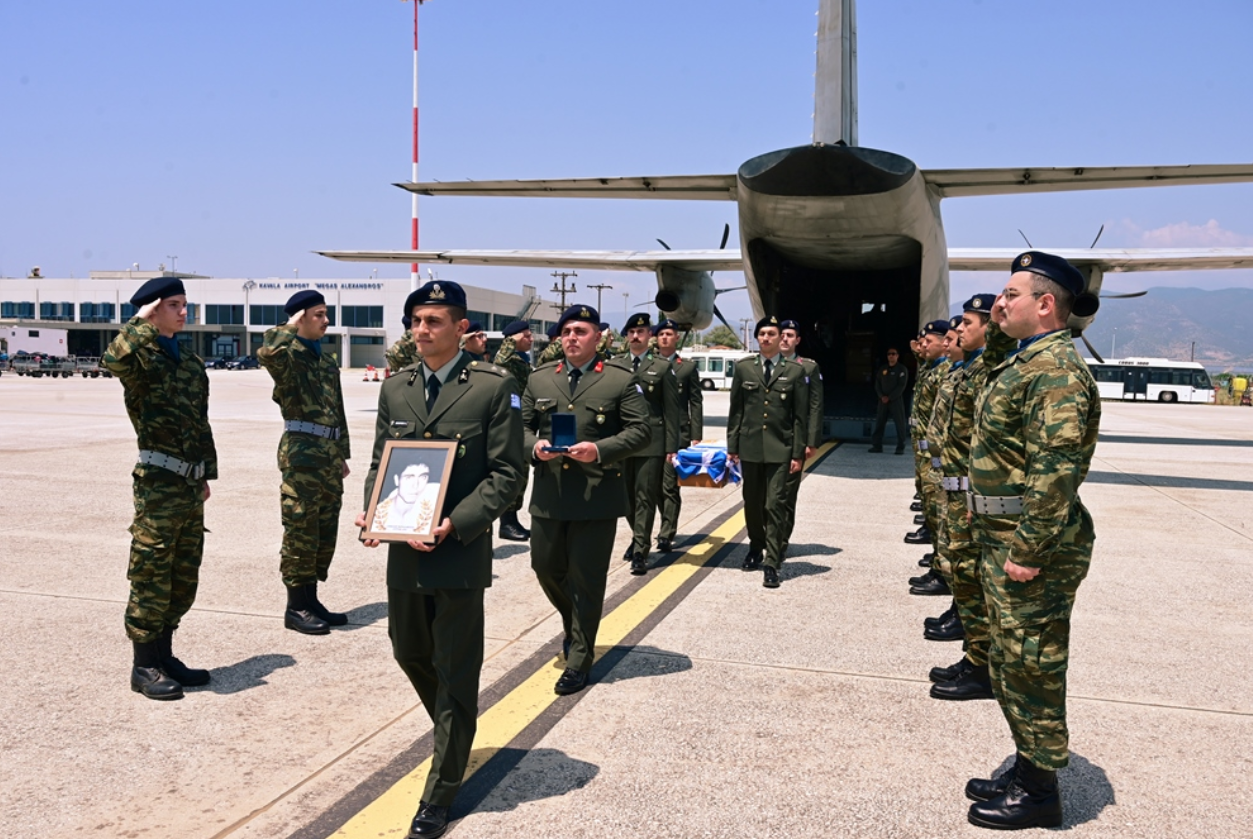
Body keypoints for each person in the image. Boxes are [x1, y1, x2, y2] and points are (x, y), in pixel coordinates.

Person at [354, 280, 523, 839]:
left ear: (460, 328)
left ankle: (440, 790)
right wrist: (374, 512)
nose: (421, 330)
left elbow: (507, 473)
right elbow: (382, 460)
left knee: (455, 671)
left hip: (457, 551)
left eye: (433, 321)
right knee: (408, 651)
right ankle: (457, 729)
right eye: (415, 321)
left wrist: (457, 522)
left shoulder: (492, 387)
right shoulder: (395, 388)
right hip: (404, 550)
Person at [963, 251, 1101, 830]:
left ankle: (1041, 793)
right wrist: (1000, 321)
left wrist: (1029, 551)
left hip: (1030, 544)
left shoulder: (1056, 373)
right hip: (1002, 536)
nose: (999, 302)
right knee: (1010, 661)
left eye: (1011, 294)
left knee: (1032, 663)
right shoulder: (1025, 360)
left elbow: (1055, 470)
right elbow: (991, 356)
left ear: (1046, 305)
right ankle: (1026, 766)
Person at [523, 304, 650, 695]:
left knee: (587, 580)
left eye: (580, 331)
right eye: (566, 332)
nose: (572, 338)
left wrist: (599, 450)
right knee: (545, 567)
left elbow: (641, 431)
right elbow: (517, 428)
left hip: (597, 496)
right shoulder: (540, 379)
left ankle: (579, 658)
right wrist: (535, 447)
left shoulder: (619, 379)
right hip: (550, 494)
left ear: (598, 337)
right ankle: (575, 624)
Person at [104, 276, 217, 701]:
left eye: (185, 304)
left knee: (183, 575)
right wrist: (141, 321)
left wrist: (204, 474)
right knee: (151, 572)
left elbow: (200, 422)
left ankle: (165, 656)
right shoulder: (139, 358)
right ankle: (144, 665)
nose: (183, 312)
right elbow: (112, 358)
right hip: (158, 482)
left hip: (188, 483)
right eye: (173, 305)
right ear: (152, 309)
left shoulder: (189, 362)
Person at [257, 291, 352, 635]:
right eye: (318, 314)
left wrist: (341, 453)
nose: (326, 320)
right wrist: (292, 323)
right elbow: (267, 351)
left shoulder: (325, 360)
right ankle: (295, 606)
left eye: (326, 314)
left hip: (327, 453)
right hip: (301, 454)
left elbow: (337, 409)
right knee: (301, 529)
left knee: (324, 529)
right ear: (300, 318)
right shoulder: (288, 355)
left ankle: (312, 600)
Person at [926, 295, 1001, 700]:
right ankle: (975, 657)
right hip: (954, 485)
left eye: (968, 324)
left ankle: (981, 665)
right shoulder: (967, 370)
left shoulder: (987, 370)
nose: (959, 331)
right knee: (961, 570)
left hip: (969, 491)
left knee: (970, 575)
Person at [727, 315, 807, 588]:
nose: (766, 338)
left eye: (772, 334)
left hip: (780, 448)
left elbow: (800, 417)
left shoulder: (795, 371)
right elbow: (736, 411)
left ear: (779, 337)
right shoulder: (744, 368)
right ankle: (755, 547)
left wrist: (797, 453)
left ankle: (772, 561)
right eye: (762, 333)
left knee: (775, 504)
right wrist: (732, 446)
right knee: (752, 502)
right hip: (750, 447)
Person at [607, 312, 680, 574]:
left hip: (652, 442)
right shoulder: (615, 365)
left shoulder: (662, 366)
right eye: (631, 332)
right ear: (627, 336)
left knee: (645, 496)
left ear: (650, 335)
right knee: (626, 498)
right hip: (622, 441)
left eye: (641, 332)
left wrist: (671, 447)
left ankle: (640, 549)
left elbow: (672, 411)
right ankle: (638, 535)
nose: (636, 336)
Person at [654, 318, 703, 553]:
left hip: (678, 433)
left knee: (669, 485)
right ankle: (666, 521)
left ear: (676, 338)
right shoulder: (649, 365)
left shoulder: (687, 367)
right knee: (654, 487)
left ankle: (666, 532)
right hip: (653, 434)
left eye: (669, 334)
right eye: (661, 334)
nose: (665, 338)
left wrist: (696, 434)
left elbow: (696, 401)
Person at [904, 321, 951, 552]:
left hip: (933, 448)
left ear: (944, 343)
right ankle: (930, 533)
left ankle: (935, 546)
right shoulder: (931, 368)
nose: (923, 346)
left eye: (928, 342)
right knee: (925, 490)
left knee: (935, 497)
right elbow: (922, 365)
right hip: (923, 444)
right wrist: (918, 353)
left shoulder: (945, 371)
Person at [778, 319, 823, 555]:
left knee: (786, 494)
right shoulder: (765, 365)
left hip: (794, 440)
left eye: (789, 335)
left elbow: (815, 406)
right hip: (768, 440)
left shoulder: (808, 367)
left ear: (798, 340)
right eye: (781, 334)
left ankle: (780, 542)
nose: (784, 339)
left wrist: (811, 441)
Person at [494, 319, 535, 541]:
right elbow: (500, 361)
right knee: (513, 470)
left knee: (523, 473)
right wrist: (510, 342)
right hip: (508, 422)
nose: (531, 339)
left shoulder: (523, 360)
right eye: (526, 336)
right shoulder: (507, 358)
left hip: (522, 421)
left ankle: (512, 518)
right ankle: (506, 521)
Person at [371, 462, 441, 533]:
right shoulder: (379, 511)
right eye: (409, 478)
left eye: (423, 477)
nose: (416, 485)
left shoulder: (435, 498)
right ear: (396, 480)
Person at [869, 347, 909, 454]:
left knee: (900, 424)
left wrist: (890, 397)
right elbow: (877, 384)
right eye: (889, 354)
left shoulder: (901, 369)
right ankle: (877, 446)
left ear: (897, 356)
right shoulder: (883, 369)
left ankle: (900, 447)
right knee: (879, 423)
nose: (891, 356)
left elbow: (901, 386)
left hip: (896, 400)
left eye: (893, 354)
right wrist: (881, 396)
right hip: (883, 401)